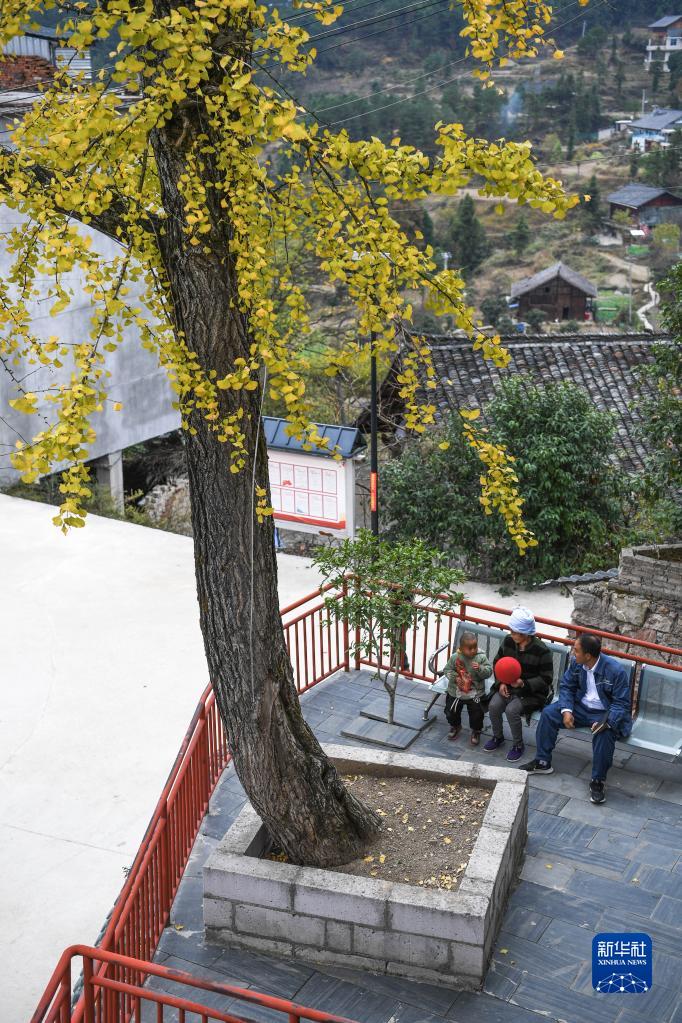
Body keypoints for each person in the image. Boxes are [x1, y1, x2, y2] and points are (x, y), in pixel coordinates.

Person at [520, 633, 632, 805]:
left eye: (576, 650)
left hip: (604, 712)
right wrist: (566, 710)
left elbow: (621, 703)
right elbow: (567, 686)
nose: (573, 653)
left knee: (605, 734)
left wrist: (607, 722)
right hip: (580, 706)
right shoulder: (577, 663)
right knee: (549, 713)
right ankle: (542, 762)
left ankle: (597, 781)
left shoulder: (615, 671)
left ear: (588, 655)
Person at [483, 606, 554, 763]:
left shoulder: (542, 650)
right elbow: (498, 662)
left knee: (511, 710)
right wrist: (501, 682)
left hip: (531, 693)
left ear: (525, 633)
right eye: (511, 631)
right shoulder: (508, 641)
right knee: (494, 706)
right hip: (508, 686)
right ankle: (498, 736)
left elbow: (547, 678)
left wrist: (524, 683)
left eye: (515, 632)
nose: (511, 634)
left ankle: (518, 745)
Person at [442, 631, 492, 746]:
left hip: (475, 693)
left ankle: (476, 730)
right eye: (469, 648)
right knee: (451, 712)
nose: (473, 650)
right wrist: (455, 678)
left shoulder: (481, 657)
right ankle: (455, 726)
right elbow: (447, 670)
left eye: (475, 647)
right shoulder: (455, 657)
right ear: (461, 648)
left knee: (477, 715)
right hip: (456, 692)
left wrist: (480, 668)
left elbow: (489, 672)